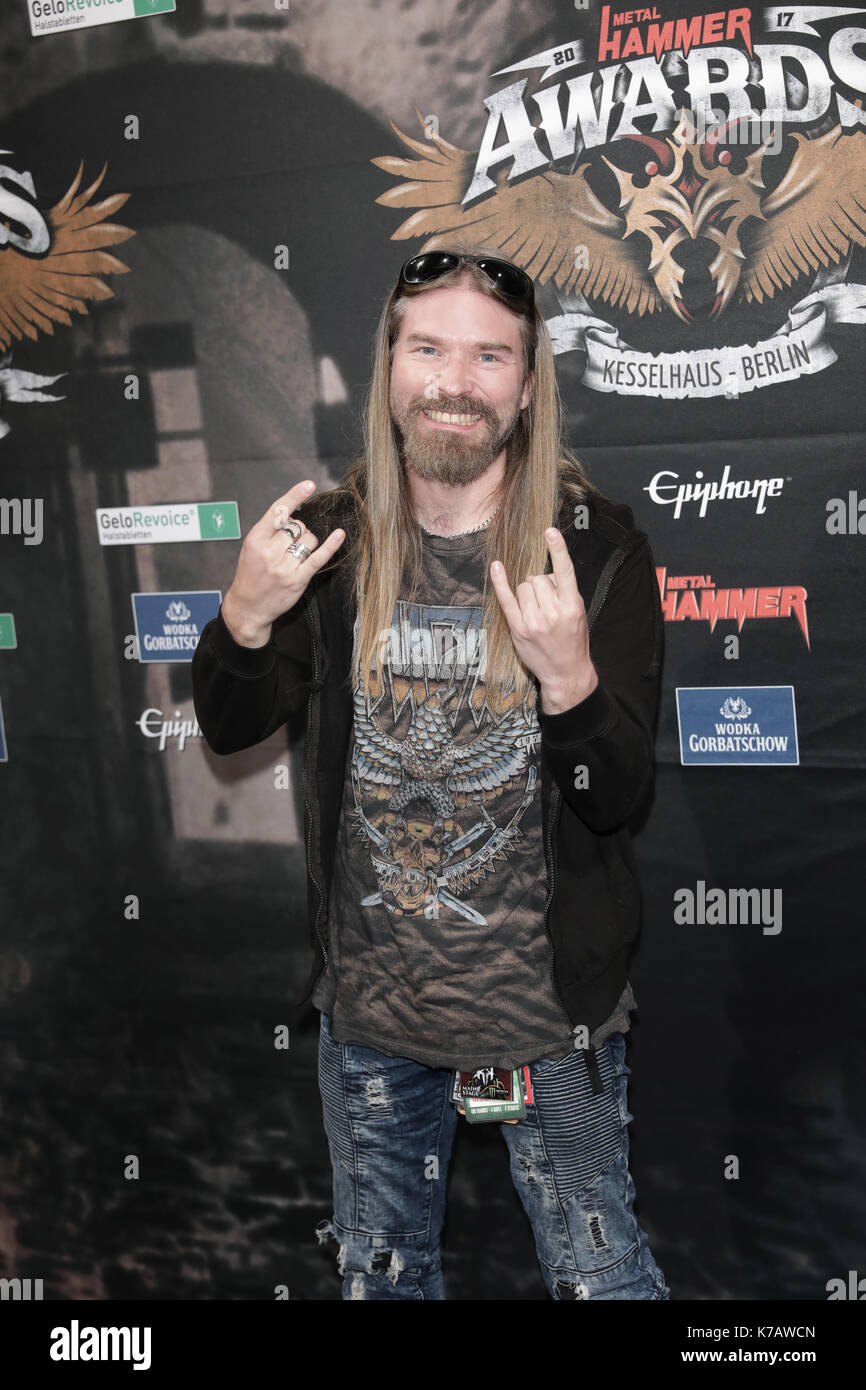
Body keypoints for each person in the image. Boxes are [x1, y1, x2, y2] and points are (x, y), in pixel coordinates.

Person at [191, 246, 669, 1301]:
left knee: (604, 1279)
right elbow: (228, 729)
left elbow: (619, 796)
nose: (453, 381)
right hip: (372, 1023)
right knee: (381, 1281)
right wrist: (240, 616)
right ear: (389, 368)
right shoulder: (327, 543)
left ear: (528, 381)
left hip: (549, 1022)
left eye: (488, 355)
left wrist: (573, 687)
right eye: (427, 349)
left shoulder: (593, 548)